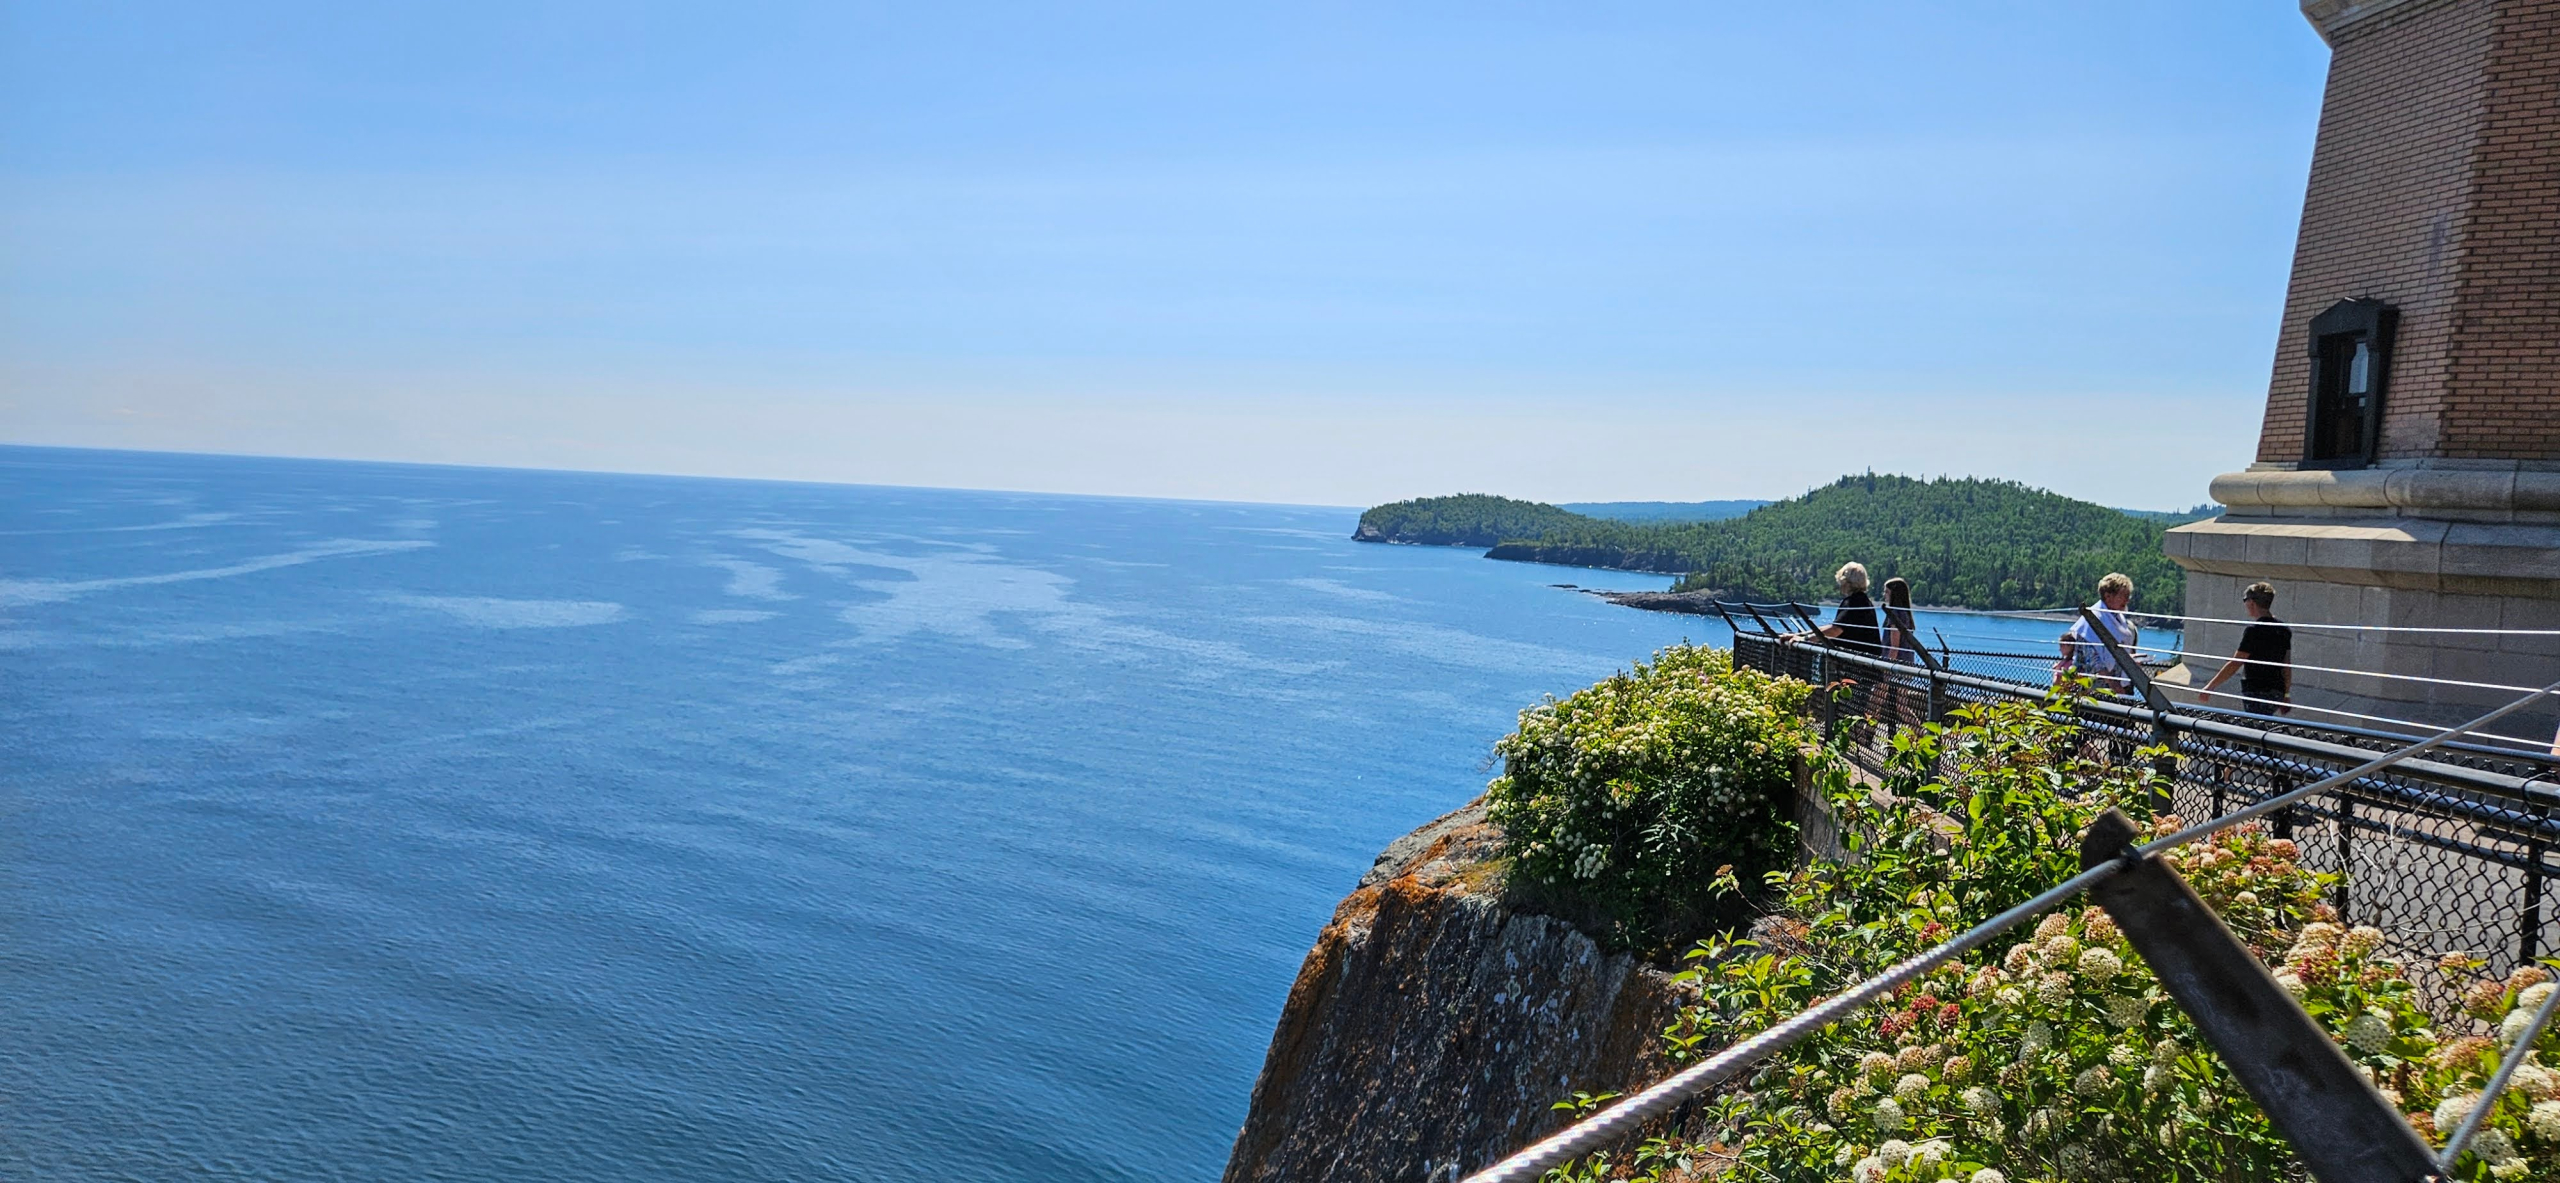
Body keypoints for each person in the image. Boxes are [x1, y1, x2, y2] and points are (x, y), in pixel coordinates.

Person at [2197, 582, 2293, 716]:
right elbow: (2286, 665)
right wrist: (2286, 694)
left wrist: (2210, 687)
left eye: (2245, 600)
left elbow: (2235, 662)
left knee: (2253, 728)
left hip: (2256, 690)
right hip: (2276, 691)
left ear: (2252, 602)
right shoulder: (2284, 630)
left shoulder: (2253, 631)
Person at [2055, 572, 2139, 693]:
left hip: (2118, 684)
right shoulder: (2091, 620)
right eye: (2123, 595)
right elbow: (2092, 659)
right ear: (2108, 596)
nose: (2127, 600)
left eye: (2128, 596)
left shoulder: (2121, 621)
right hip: (2092, 687)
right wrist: (2114, 685)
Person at [1784, 562, 1881, 655]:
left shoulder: (1853, 602)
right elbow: (1833, 626)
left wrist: (1806, 640)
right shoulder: (1864, 601)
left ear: (1846, 582)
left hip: (1858, 663)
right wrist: (1801, 635)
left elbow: (1835, 630)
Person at [1878, 577, 1919, 664]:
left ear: (1894, 594)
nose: (1884, 594)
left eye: (1887, 592)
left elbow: (1895, 647)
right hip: (1907, 662)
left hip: (1896, 665)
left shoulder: (1895, 614)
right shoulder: (1905, 613)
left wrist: (1887, 670)